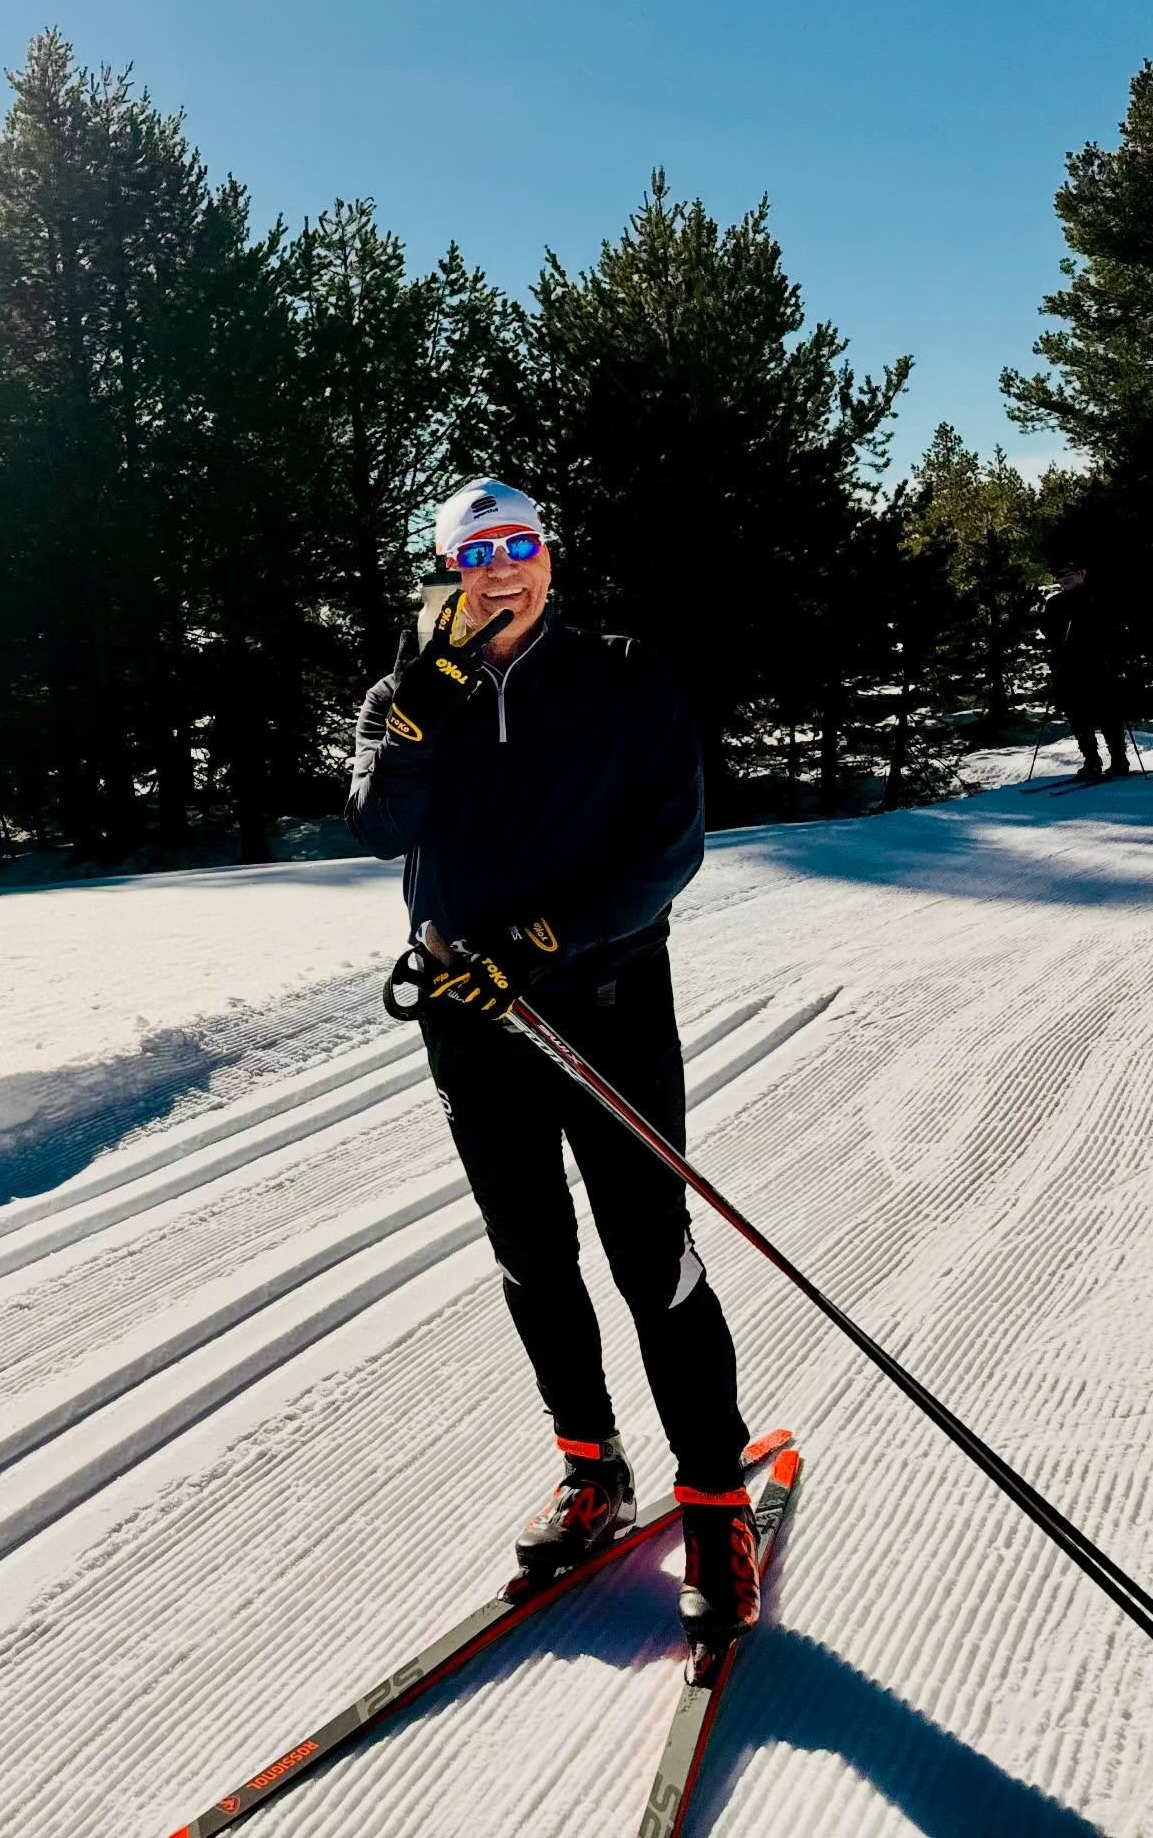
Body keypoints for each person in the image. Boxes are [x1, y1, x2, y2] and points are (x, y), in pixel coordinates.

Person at [346, 476, 759, 1649]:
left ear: (548, 555)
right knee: (531, 1255)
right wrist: (425, 709)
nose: (502, 570)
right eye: (476, 553)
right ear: (448, 570)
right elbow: (377, 825)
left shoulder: (624, 672)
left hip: (606, 1002)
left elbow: (666, 850)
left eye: (519, 545)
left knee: (652, 1258)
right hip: (467, 1019)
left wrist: (537, 944)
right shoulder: (402, 691)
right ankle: (590, 1469)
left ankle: (715, 1495)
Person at [1041, 565, 1130, 783]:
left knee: (1108, 714)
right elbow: (1048, 631)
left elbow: (1113, 627)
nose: (1064, 580)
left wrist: (1114, 657)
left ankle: (1119, 760)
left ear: (1082, 574)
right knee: (1078, 717)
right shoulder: (1054, 603)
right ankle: (1091, 760)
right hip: (1069, 668)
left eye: (1069, 575)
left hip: (1098, 665)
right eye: (1060, 576)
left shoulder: (1096, 598)